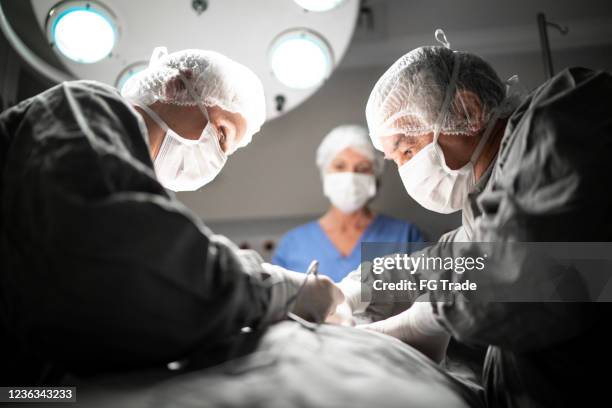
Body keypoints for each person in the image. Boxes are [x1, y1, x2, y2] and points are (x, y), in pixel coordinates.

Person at [0, 47, 343, 384]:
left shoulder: (138, 196)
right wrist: (284, 290)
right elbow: (146, 270)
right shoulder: (85, 102)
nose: (218, 158)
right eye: (222, 135)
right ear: (177, 85)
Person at [337, 30, 612, 407]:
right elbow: (458, 255)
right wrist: (364, 283)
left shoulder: (562, 112)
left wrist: (429, 316)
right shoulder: (488, 193)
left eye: (407, 149)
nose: (405, 168)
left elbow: (549, 269)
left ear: (467, 112)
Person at [272, 125, 424, 282]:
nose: (351, 176)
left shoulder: (405, 236)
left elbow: (427, 298)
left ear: (375, 177)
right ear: (325, 173)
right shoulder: (293, 245)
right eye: (340, 166)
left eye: (362, 168)